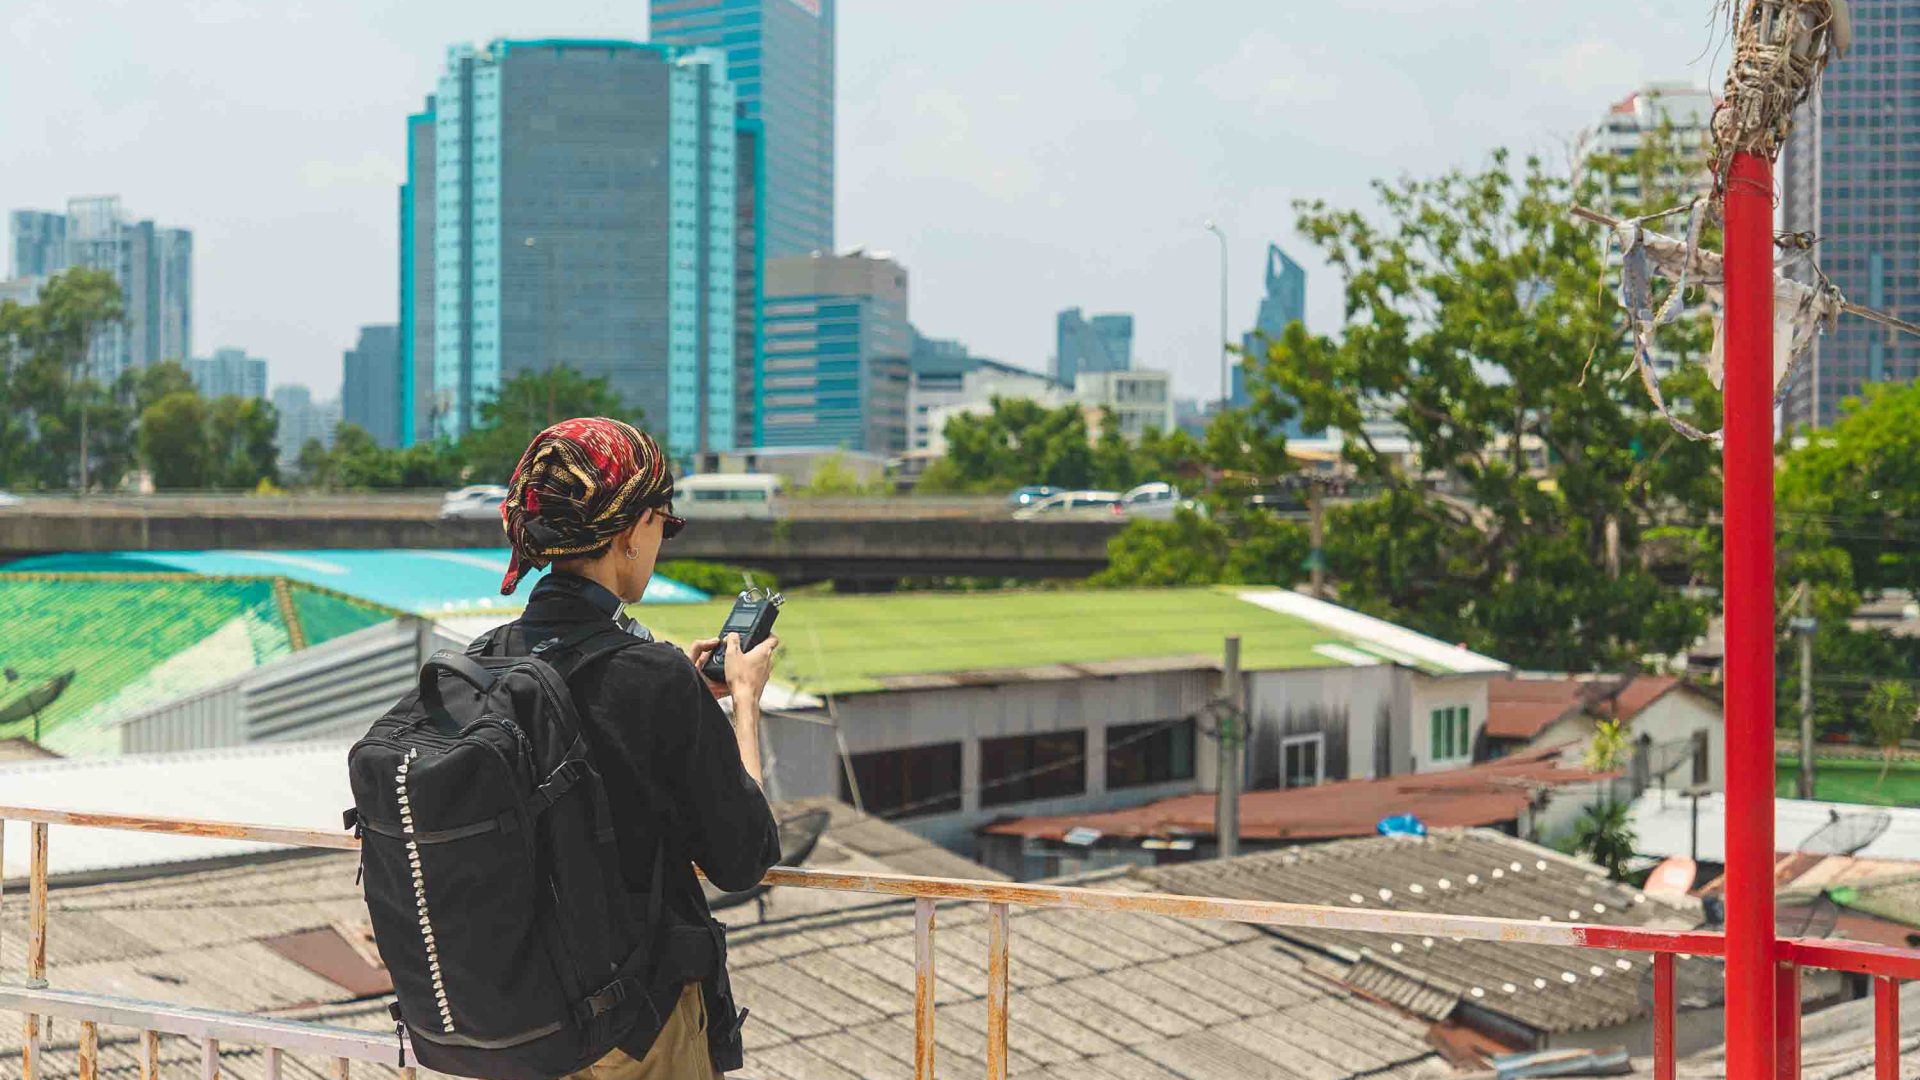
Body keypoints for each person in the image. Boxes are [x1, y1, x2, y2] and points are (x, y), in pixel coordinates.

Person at [494, 416, 781, 1080]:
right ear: (629, 533)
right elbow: (745, 856)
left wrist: (674, 684)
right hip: (634, 1028)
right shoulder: (652, 678)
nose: (659, 543)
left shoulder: (489, 665)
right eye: (660, 524)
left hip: (521, 1025)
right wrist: (742, 700)